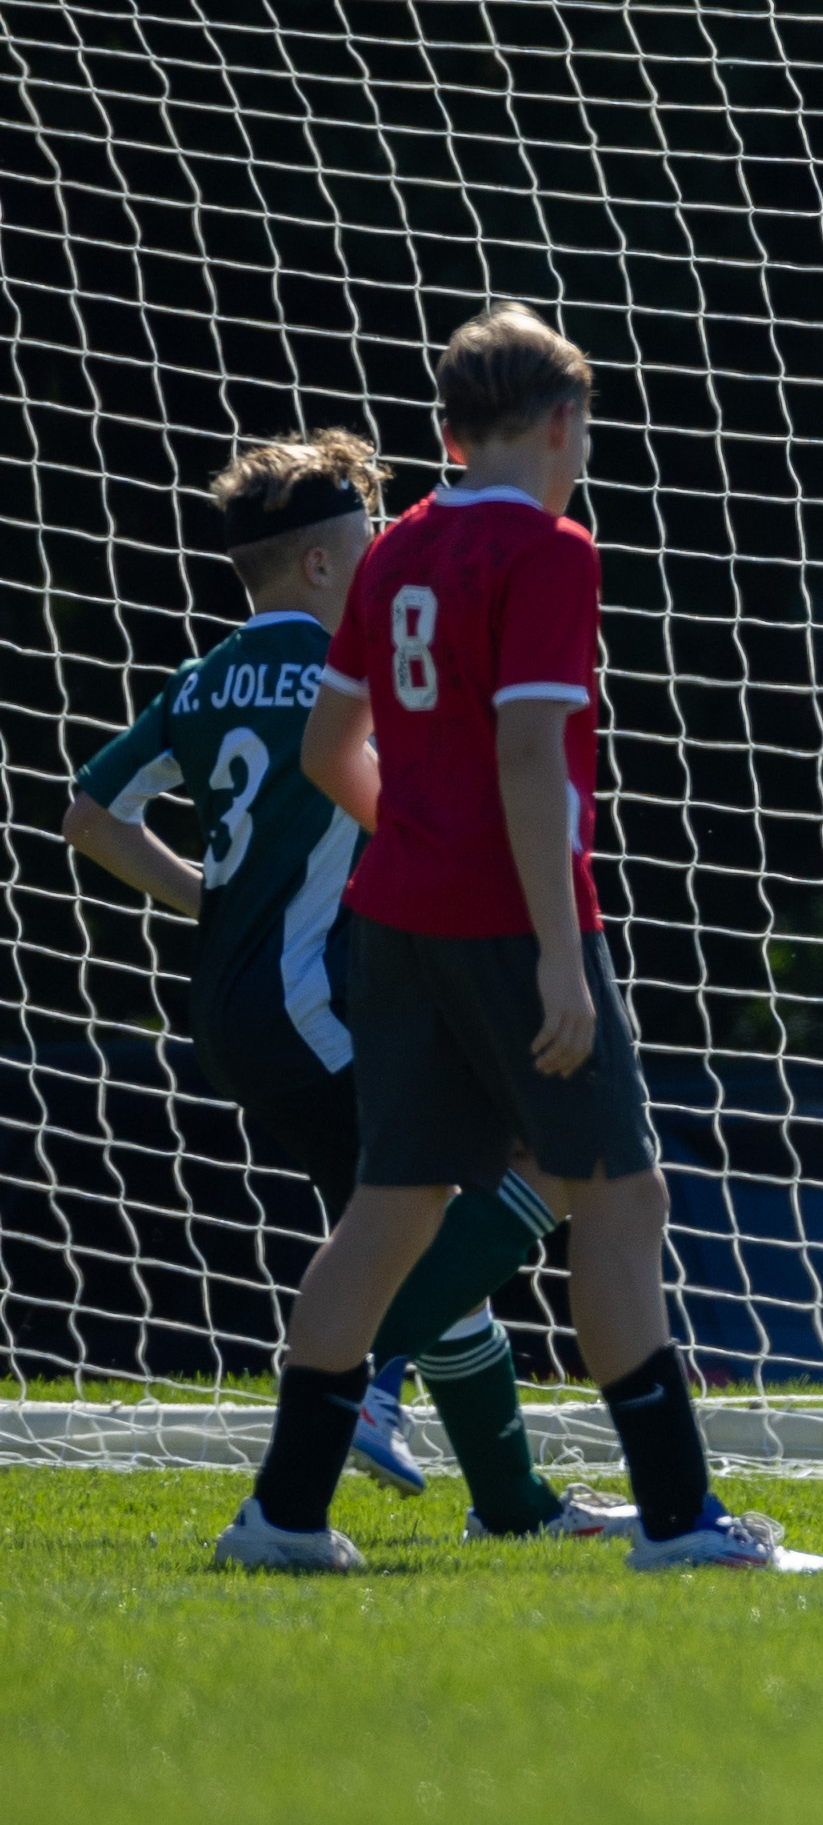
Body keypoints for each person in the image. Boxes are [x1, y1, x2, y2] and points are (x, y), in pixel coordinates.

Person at [212, 304, 823, 1573]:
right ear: (561, 422)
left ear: (448, 433)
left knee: (388, 1211)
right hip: (510, 921)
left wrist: (417, 839)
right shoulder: (550, 551)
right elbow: (530, 756)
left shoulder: (395, 548)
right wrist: (558, 950)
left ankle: (281, 1517)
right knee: (623, 1198)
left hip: (395, 922)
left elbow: (330, 750)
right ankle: (679, 1523)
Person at [67, 430, 622, 1541]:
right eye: (367, 545)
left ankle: (510, 1504)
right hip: (310, 1003)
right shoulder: (345, 686)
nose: (382, 564)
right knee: (549, 1150)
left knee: (412, 1228)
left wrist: (208, 900)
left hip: (229, 1010)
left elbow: (89, 813)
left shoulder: (204, 679)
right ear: (322, 565)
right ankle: (369, 1376)